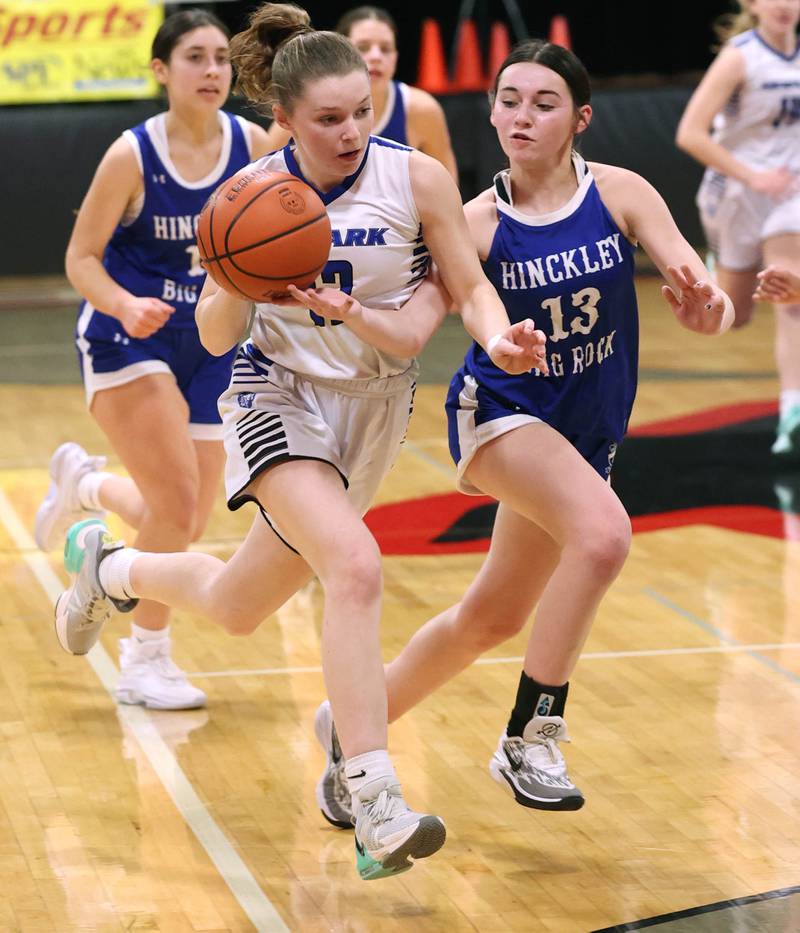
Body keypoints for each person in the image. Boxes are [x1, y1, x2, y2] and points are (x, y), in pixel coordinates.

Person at [50, 2, 547, 881]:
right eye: (327, 118)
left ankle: (111, 570)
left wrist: (500, 332)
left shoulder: (418, 179)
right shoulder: (244, 197)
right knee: (354, 567)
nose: (351, 129)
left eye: (361, 109)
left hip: (374, 408)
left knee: (239, 605)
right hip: (275, 395)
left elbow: (469, 285)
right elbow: (211, 336)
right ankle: (375, 795)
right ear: (281, 120)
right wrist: (241, 281)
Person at [303, 38, 735, 826]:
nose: (521, 116)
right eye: (508, 100)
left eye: (543, 103)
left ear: (581, 119)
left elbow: (700, 289)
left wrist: (714, 310)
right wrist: (355, 313)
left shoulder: (621, 193)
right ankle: (531, 733)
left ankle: (351, 728)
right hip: (501, 415)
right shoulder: (476, 221)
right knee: (603, 536)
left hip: (586, 433)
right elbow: (414, 327)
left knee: (491, 618)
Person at [32, 9, 273, 710]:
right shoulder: (131, 155)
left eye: (223, 59)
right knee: (173, 501)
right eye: (195, 58)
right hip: (129, 334)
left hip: (209, 339)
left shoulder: (251, 146)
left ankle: (88, 486)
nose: (213, 72)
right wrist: (121, 303)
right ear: (162, 71)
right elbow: (79, 258)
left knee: (186, 517)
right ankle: (145, 659)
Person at [676, 0, 800, 455]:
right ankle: (718, 266)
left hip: (789, 198)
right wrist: (754, 176)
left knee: (790, 292)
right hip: (735, 194)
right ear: (752, 3)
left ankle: (792, 412)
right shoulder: (740, 57)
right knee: (736, 315)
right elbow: (689, 133)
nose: (784, 4)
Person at [264, 5, 458, 179]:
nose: (376, 57)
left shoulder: (421, 109)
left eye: (386, 49)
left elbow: (450, 187)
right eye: (363, 47)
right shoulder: (296, 118)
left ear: (397, 56)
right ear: (341, 53)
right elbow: (261, 182)